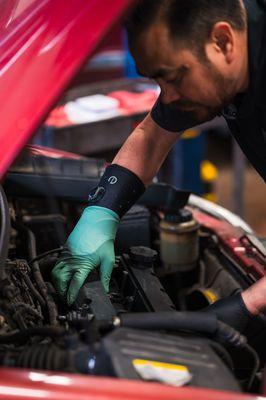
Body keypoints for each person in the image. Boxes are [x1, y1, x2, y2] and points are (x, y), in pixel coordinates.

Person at [52, 0, 266, 333]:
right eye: (158, 81)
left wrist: (245, 306)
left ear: (224, 41)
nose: (167, 97)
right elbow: (152, 136)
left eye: (174, 78)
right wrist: (101, 213)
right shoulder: (213, 63)